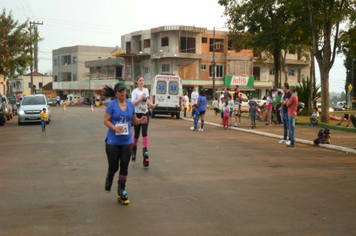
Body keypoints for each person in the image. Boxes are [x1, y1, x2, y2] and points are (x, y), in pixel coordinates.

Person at [103, 83, 147, 204]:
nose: (123, 93)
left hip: (127, 141)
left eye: (124, 91)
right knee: (114, 166)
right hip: (113, 141)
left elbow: (134, 121)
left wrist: (141, 120)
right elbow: (106, 120)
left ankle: (121, 189)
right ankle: (110, 175)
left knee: (124, 166)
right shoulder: (112, 105)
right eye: (120, 91)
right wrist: (114, 128)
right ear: (116, 93)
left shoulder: (130, 105)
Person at [131, 76, 155, 166]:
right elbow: (133, 103)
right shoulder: (135, 91)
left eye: (143, 80)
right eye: (140, 80)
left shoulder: (146, 90)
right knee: (136, 134)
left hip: (145, 114)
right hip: (137, 114)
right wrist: (141, 98)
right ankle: (134, 150)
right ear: (137, 82)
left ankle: (145, 152)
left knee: (144, 133)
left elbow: (146, 99)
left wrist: (151, 104)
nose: (141, 82)